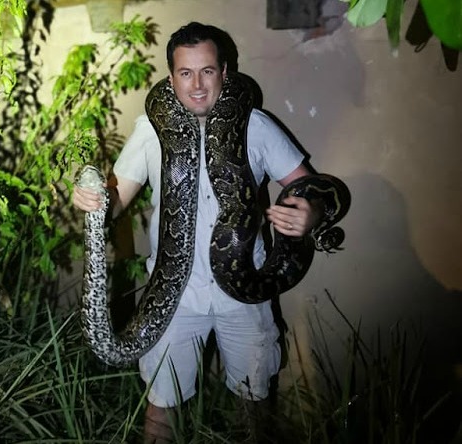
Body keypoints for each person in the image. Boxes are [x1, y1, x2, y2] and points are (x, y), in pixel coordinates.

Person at [73, 22, 322, 443]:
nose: (198, 85)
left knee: (255, 404)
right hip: (173, 299)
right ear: (171, 79)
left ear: (225, 72)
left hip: (245, 293)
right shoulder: (151, 131)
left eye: (207, 71)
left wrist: (310, 215)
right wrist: (95, 203)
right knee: (160, 410)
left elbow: (306, 187)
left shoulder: (256, 125)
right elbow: (118, 200)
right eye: (186, 73)